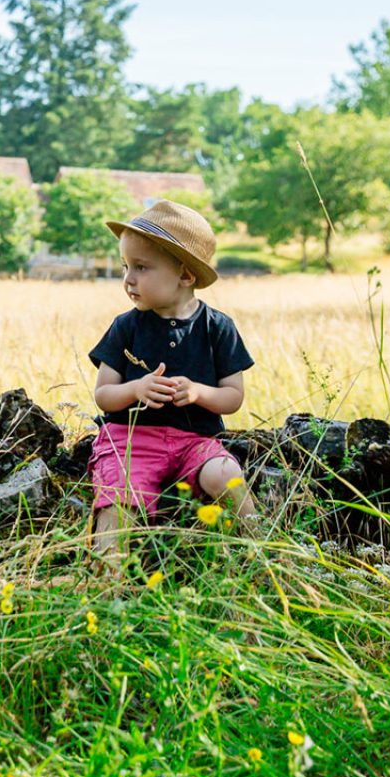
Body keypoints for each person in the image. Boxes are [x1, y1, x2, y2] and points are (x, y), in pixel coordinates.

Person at [86, 201, 257, 555]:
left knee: (225, 473)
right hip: (131, 440)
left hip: (195, 441)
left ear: (185, 275)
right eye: (125, 267)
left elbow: (233, 397)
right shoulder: (126, 326)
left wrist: (197, 392)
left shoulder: (218, 328)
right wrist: (136, 388)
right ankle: (107, 573)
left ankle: (261, 550)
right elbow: (103, 394)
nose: (128, 279)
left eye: (142, 267)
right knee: (120, 495)